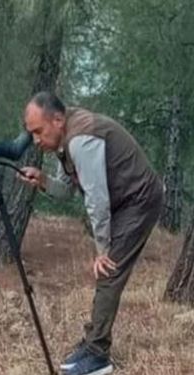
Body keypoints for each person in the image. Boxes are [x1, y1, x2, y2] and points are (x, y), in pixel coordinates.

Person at [18, 92, 164, 375]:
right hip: (125, 202)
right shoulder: (65, 138)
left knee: (108, 270)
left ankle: (98, 356)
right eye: (32, 133)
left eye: (38, 131)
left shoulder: (81, 139)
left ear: (58, 120)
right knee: (106, 271)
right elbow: (67, 191)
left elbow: (97, 200)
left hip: (140, 200)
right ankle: (92, 343)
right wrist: (43, 180)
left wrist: (102, 250)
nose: (36, 140)